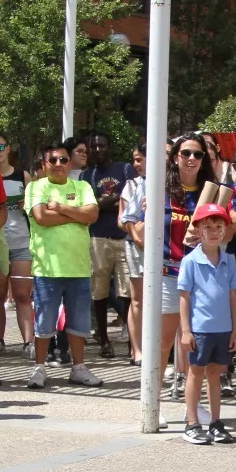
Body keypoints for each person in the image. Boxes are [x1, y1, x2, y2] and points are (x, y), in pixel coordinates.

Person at [125, 134, 215, 404]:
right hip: (167, 274)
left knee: (198, 343)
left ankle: (192, 407)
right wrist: (142, 235)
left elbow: (228, 230)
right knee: (162, 342)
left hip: (202, 275)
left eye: (197, 155)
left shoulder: (212, 191)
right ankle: (152, 403)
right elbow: (128, 219)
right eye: (185, 153)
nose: (191, 159)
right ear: (175, 157)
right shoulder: (156, 188)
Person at [25, 140, 102, 389]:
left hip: (78, 267)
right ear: (44, 164)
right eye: (53, 160)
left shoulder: (82, 186)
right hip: (47, 267)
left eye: (64, 160)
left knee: (79, 322)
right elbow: (41, 217)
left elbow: (92, 215)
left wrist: (59, 207)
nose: (59, 164)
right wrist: (75, 213)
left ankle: (78, 368)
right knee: (45, 321)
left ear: (70, 163)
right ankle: (39, 368)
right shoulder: (35, 187)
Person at [177, 204, 236, 444]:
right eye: (208, 227)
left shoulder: (229, 260)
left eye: (218, 227)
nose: (214, 232)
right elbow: (184, 297)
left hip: (223, 328)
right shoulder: (191, 261)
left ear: (225, 230)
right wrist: (186, 330)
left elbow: (233, 296)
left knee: (216, 374)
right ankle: (192, 422)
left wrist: (235, 328)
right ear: (198, 230)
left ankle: (216, 422)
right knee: (195, 373)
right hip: (200, 329)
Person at [79, 131, 134, 359]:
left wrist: (103, 203)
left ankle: (134, 342)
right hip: (97, 238)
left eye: (101, 145)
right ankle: (103, 340)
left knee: (128, 294)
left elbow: (128, 202)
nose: (97, 150)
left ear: (110, 147)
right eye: (93, 147)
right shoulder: (85, 175)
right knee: (98, 293)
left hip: (124, 238)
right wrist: (112, 201)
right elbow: (89, 207)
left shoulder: (124, 169)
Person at [0, 129, 33, 359]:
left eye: (1, 147)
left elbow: (35, 211)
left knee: (23, 295)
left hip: (22, 240)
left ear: (8, 148)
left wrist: (28, 206)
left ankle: (28, 343)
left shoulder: (23, 176)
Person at [120, 142, 148, 366]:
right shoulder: (132, 185)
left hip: (164, 248)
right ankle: (137, 349)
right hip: (137, 246)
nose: (135, 164)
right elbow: (123, 219)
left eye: (139, 159)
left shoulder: (172, 183)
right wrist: (138, 236)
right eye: (135, 159)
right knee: (138, 299)